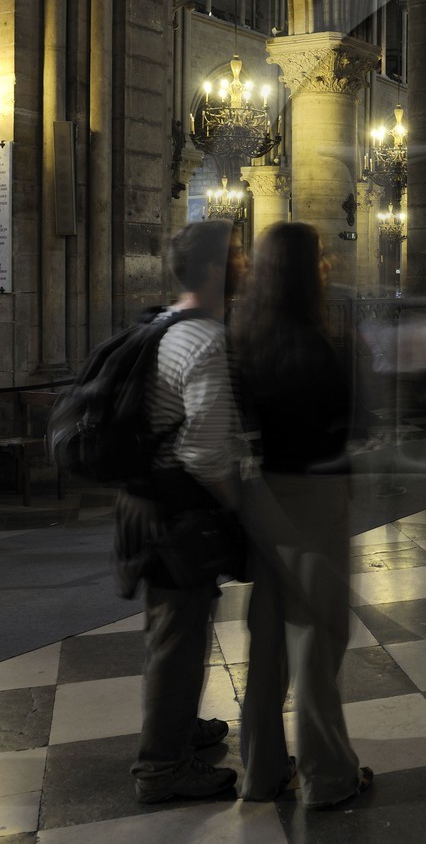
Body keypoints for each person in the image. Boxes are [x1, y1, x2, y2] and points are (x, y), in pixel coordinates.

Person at [230, 222, 371, 809]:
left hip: (264, 494)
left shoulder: (246, 337)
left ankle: (260, 772)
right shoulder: (322, 345)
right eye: (318, 258)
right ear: (299, 271)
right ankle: (327, 774)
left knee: (266, 640)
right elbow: (355, 426)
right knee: (317, 633)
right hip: (316, 495)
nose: (328, 266)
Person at [114, 219, 246, 804]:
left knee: (169, 630)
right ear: (217, 269)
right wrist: (244, 508)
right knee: (180, 635)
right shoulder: (207, 338)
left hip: (145, 501)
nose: (247, 264)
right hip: (179, 511)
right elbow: (205, 451)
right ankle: (162, 767)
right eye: (239, 255)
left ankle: (179, 727)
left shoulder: (162, 324)